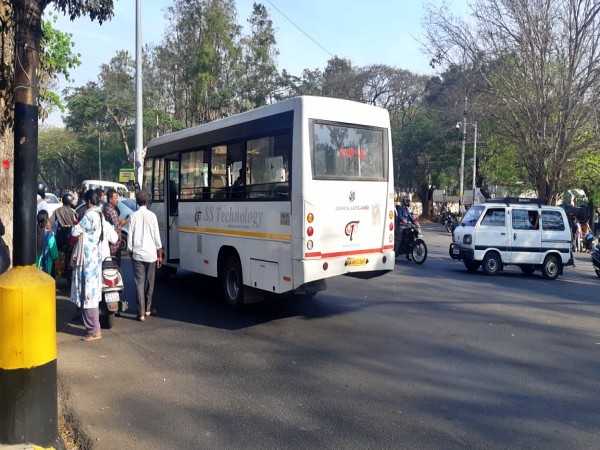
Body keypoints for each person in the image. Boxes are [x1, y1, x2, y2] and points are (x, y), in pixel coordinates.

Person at [70, 190, 117, 341]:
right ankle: (93, 328)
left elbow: (75, 231)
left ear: (88, 202)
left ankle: (93, 330)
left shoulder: (89, 215)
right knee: (92, 293)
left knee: (87, 294)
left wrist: (75, 223)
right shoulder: (101, 216)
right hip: (96, 259)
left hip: (87, 260)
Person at [127, 190, 163, 322]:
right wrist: (159, 253)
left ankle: (140, 313)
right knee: (150, 282)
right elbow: (156, 236)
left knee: (139, 283)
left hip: (137, 254)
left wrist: (130, 250)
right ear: (147, 202)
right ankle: (148, 309)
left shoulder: (133, 216)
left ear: (137, 202)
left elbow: (130, 236)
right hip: (151, 254)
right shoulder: (152, 216)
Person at [103, 188, 128, 267]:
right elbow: (116, 229)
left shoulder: (106, 208)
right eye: (115, 198)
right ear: (110, 199)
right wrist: (121, 224)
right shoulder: (112, 211)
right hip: (114, 246)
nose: (117, 200)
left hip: (108, 245)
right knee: (115, 267)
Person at [36, 210, 59, 276]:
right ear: (47, 221)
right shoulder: (50, 236)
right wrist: (58, 269)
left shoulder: (33, 234)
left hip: (33, 272)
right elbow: (55, 257)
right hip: (46, 273)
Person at [396, 195, 418, 260]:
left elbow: (410, 217)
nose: (408, 202)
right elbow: (400, 216)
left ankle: (408, 254)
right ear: (405, 201)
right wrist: (403, 219)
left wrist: (415, 222)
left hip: (406, 225)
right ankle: (395, 255)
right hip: (400, 226)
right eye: (407, 201)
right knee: (399, 240)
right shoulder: (400, 208)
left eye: (409, 201)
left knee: (411, 236)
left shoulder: (406, 209)